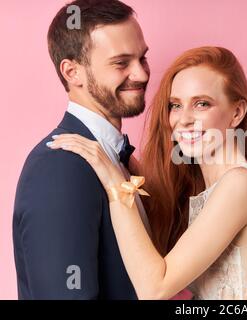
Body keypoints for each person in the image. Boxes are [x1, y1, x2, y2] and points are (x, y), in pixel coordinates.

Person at [49, 46, 247, 299]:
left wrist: (117, 186)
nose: (184, 119)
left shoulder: (240, 183)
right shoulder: (210, 187)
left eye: (202, 104)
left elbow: (154, 288)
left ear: (236, 113)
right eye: (175, 105)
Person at [13, 0, 150, 299]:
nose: (141, 74)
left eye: (143, 58)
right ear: (72, 72)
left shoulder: (120, 161)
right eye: (121, 63)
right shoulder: (60, 166)